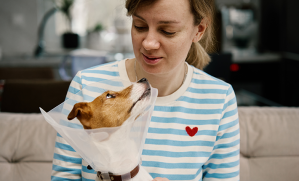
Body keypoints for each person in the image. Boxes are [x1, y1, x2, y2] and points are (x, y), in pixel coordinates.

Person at [51, 0, 240, 180]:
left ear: (199, 30)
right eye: (139, 26)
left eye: (168, 31)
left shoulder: (219, 98)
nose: (148, 43)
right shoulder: (87, 85)